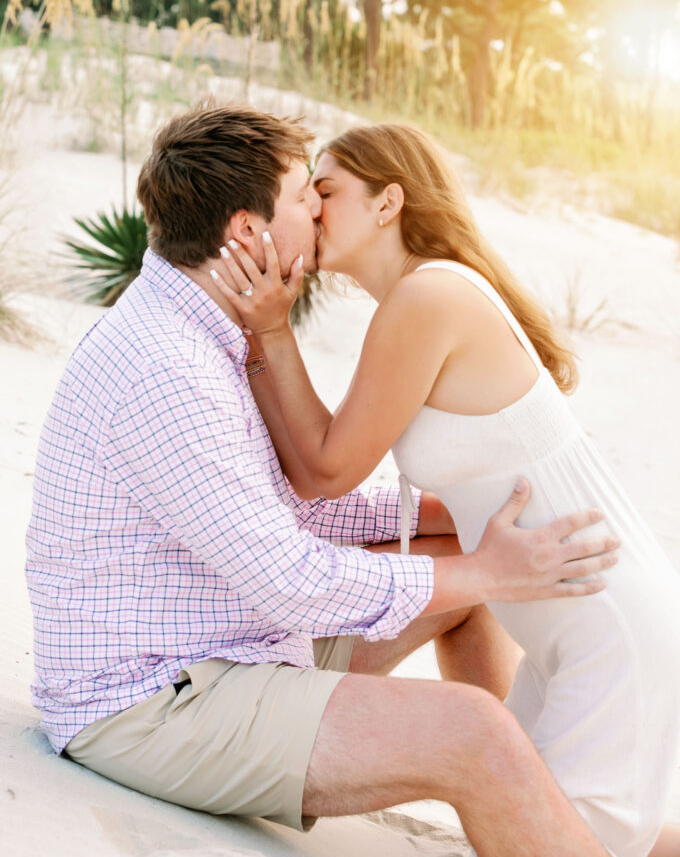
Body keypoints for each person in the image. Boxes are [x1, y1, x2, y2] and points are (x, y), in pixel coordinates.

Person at [26, 102, 621, 857]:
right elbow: (291, 581)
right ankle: (538, 811)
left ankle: (538, 817)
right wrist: (484, 569)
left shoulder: (212, 326)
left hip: (236, 639)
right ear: (246, 231)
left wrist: (462, 524)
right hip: (152, 698)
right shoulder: (165, 369)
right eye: (304, 196)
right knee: (474, 730)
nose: (316, 210)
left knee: (456, 582)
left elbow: (280, 512)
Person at [211, 120, 680, 857]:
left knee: (560, 841)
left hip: (608, 630)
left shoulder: (427, 300)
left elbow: (325, 468)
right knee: (549, 826)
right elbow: (326, 477)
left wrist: (271, 332)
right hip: (575, 627)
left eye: (327, 191)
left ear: (387, 202)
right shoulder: (421, 297)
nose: (311, 210)